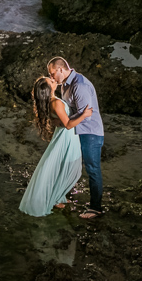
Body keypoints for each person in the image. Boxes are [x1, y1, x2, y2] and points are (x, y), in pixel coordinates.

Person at [19, 76, 93, 217]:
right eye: (51, 81)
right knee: (72, 169)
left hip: (65, 135)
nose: (54, 80)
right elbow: (68, 124)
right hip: (66, 137)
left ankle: (58, 197)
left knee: (63, 168)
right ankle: (54, 198)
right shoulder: (55, 103)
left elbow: (57, 120)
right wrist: (85, 115)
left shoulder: (51, 102)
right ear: (48, 89)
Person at [47, 56, 105, 219]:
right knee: (69, 163)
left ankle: (95, 208)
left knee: (93, 169)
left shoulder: (80, 85)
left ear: (60, 69)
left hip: (90, 132)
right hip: (76, 132)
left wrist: (63, 122)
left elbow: (85, 115)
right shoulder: (65, 85)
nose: (52, 77)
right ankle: (62, 196)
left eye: (52, 74)